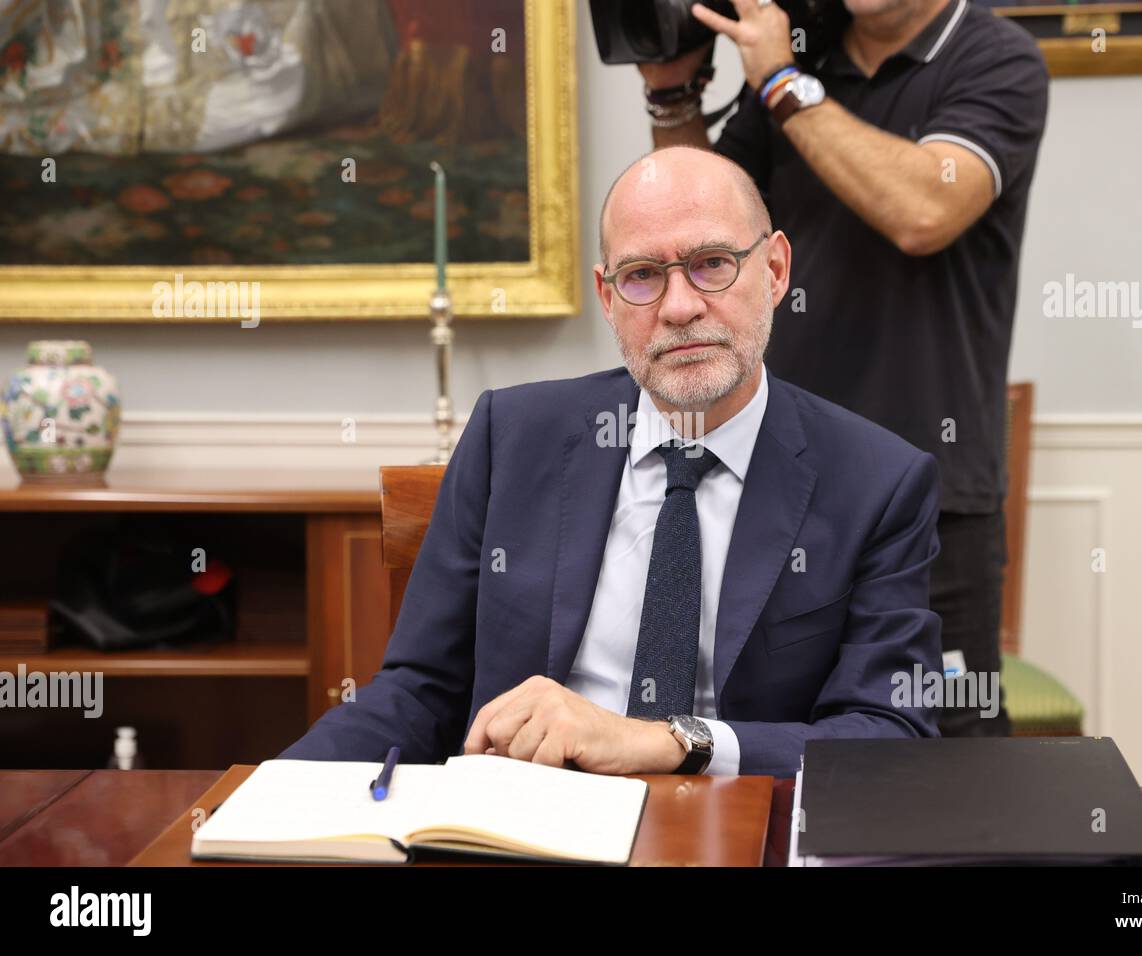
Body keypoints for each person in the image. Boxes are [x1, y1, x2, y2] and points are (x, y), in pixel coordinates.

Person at [282, 146, 942, 778]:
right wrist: (272, 797)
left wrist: (664, 742)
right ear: (607, 297)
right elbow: (417, 693)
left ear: (774, 271)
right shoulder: (509, 439)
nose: (680, 308)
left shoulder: (878, 483)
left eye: (713, 264)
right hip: (528, 828)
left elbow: (890, 734)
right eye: (642, 277)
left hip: (736, 828)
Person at [639, 0, 1050, 736]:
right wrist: (672, 94)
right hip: (778, 480)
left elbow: (925, 210)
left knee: (947, 754)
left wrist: (782, 83)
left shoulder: (995, 56)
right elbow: (697, 217)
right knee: (773, 731)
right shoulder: (803, 57)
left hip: (936, 489)